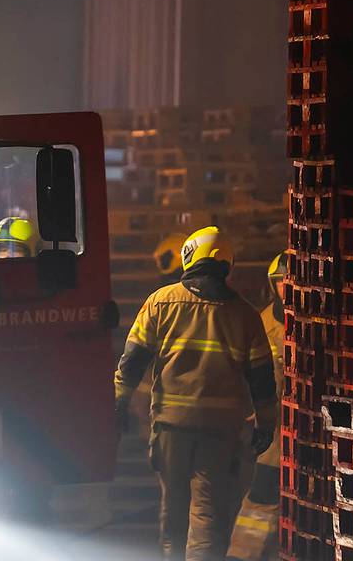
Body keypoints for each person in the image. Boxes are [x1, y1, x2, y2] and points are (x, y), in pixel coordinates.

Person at [113, 226, 278, 560]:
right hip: (220, 432)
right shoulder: (246, 315)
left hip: (171, 428)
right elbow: (262, 380)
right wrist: (266, 424)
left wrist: (118, 403)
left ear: (190, 256)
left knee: (173, 510)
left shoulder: (161, 302)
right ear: (227, 264)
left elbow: (132, 361)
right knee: (206, 516)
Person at [227, 252, 287, 560]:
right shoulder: (262, 323)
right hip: (275, 433)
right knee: (262, 496)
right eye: (281, 284)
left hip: (311, 430)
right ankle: (242, 554)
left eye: (291, 283)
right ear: (272, 286)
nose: (286, 290)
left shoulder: (317, 322)